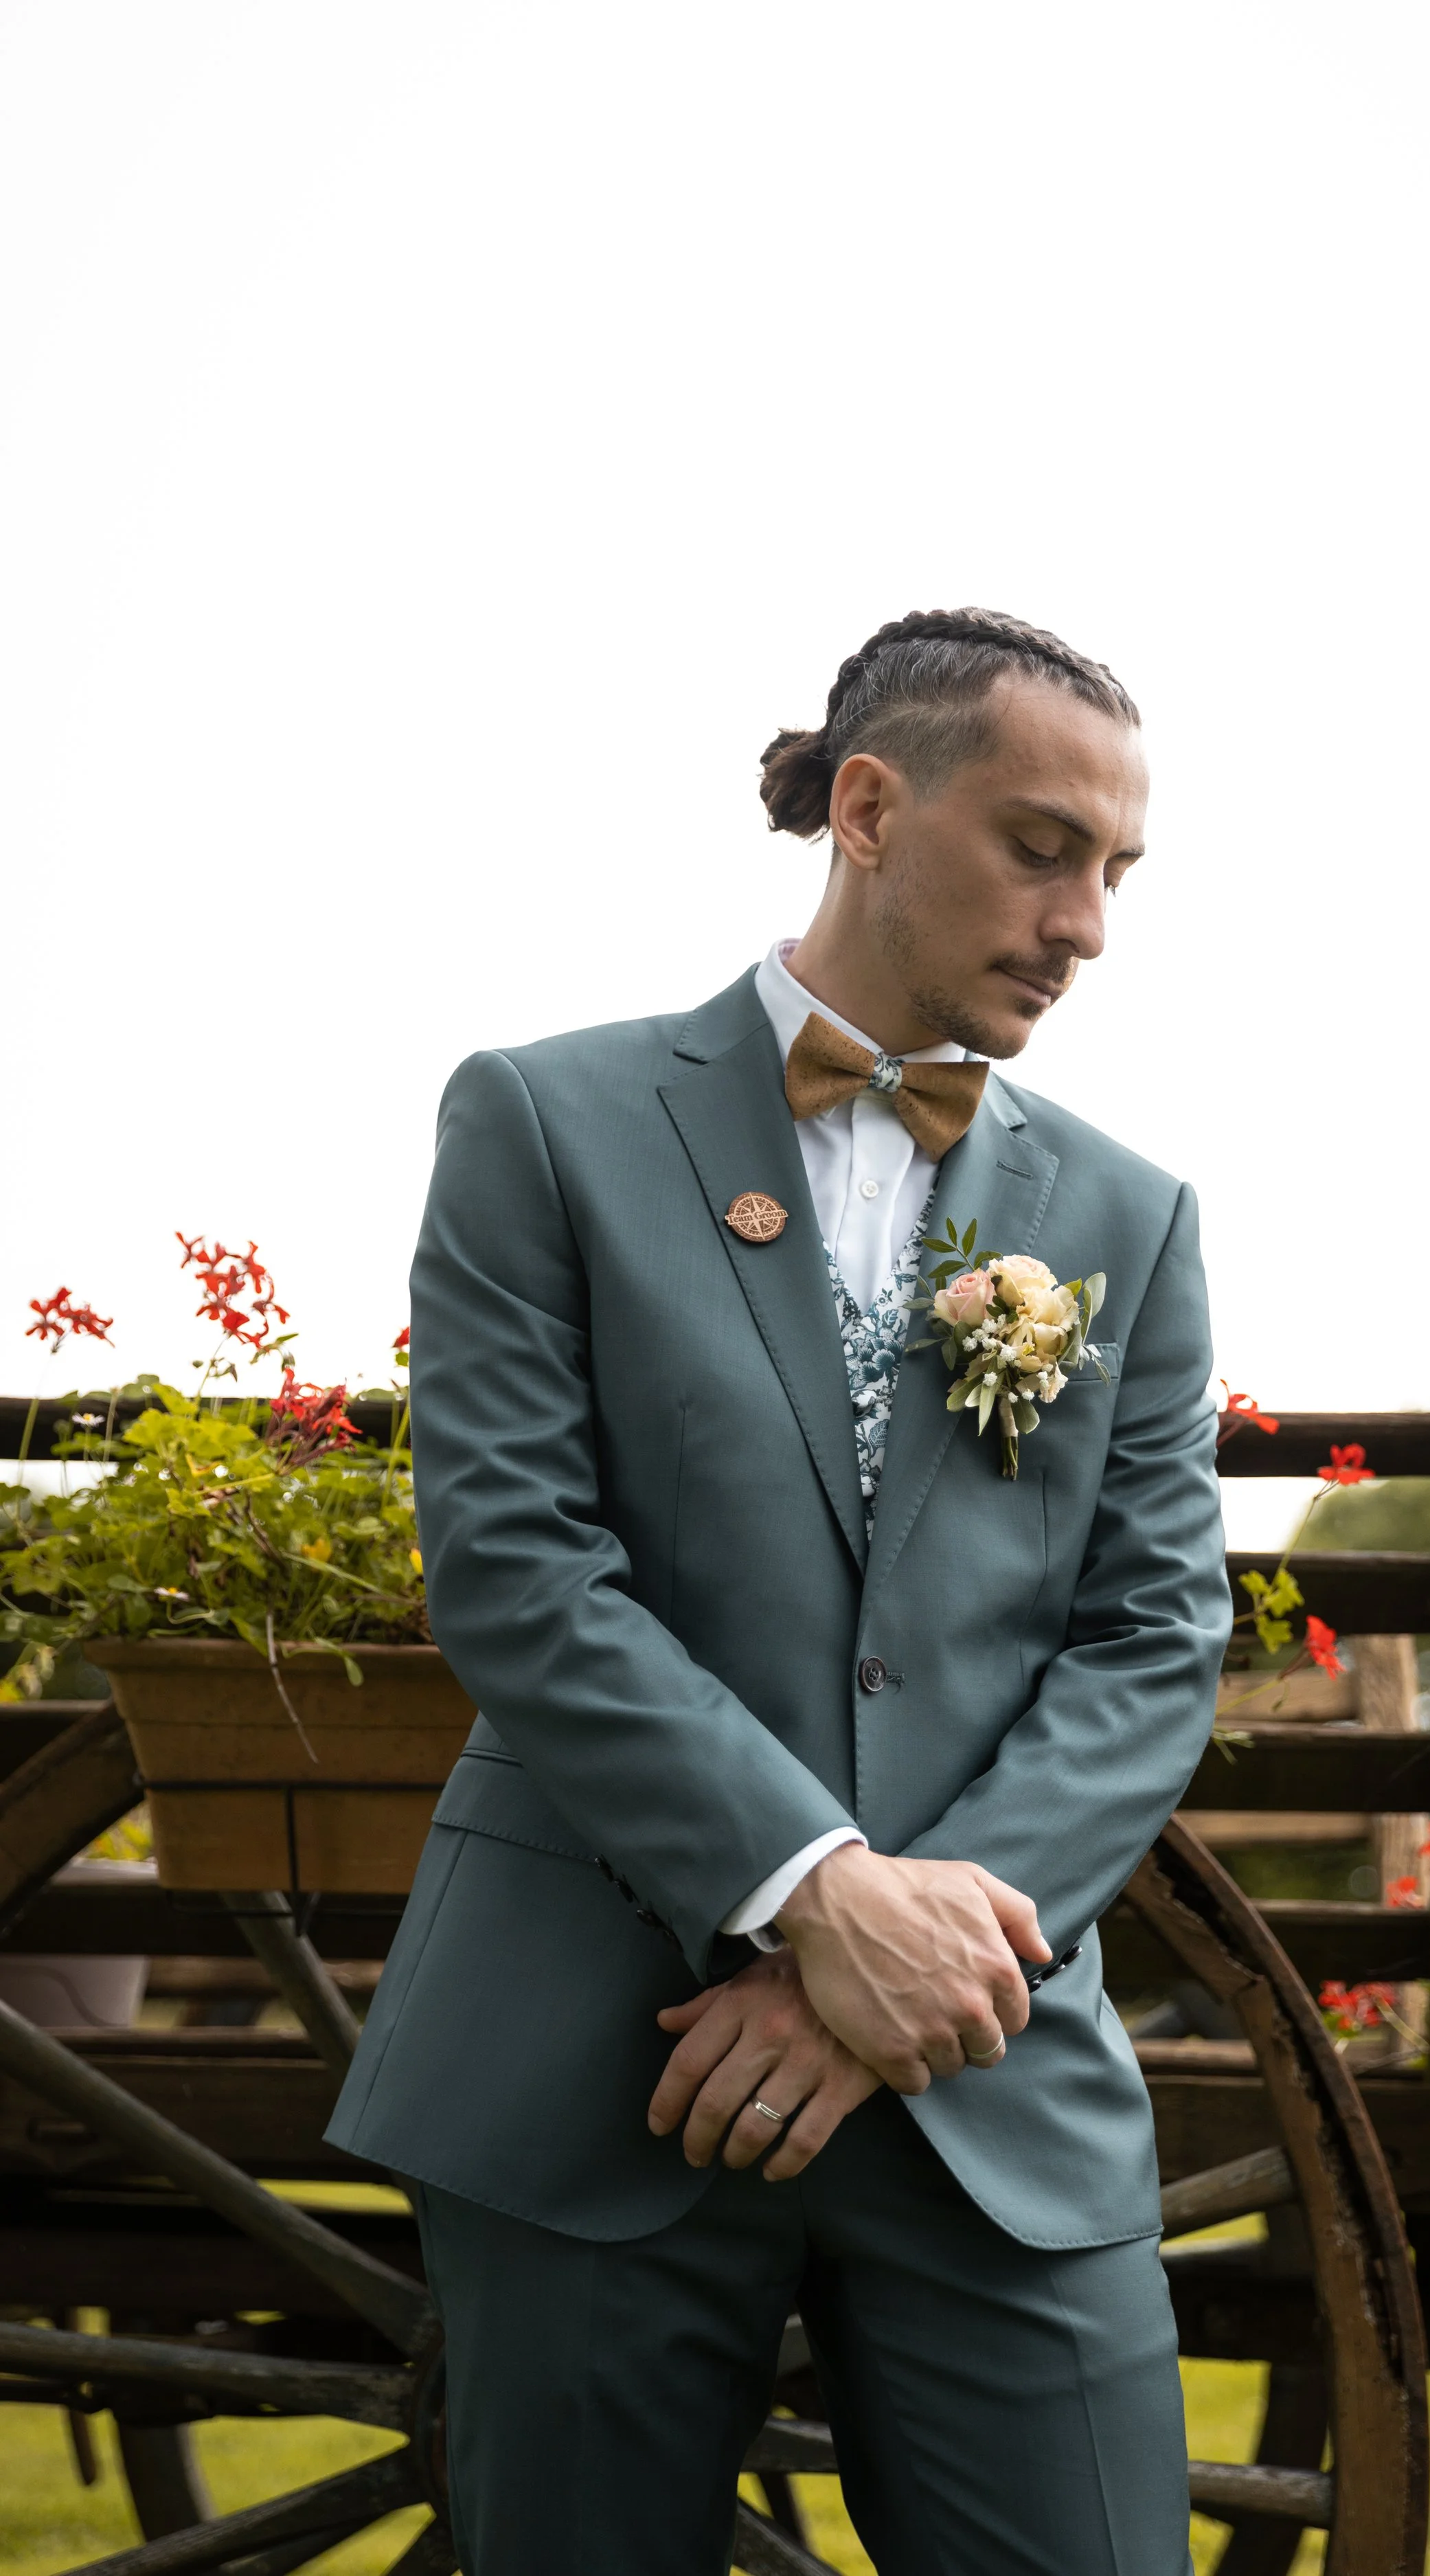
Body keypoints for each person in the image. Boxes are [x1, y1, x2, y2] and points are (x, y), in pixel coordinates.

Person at [328, 606, 1232, 2575]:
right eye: (1041, 845)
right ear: (869, 806)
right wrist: (815, 1898)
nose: (1086, 922)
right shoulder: (541, 1121)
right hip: (594, 2058)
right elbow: (516, 1567)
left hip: (992, 2085)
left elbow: (1155, 1637)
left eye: (1116, 869)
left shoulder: (1129, 1217)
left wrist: (902, 1979)